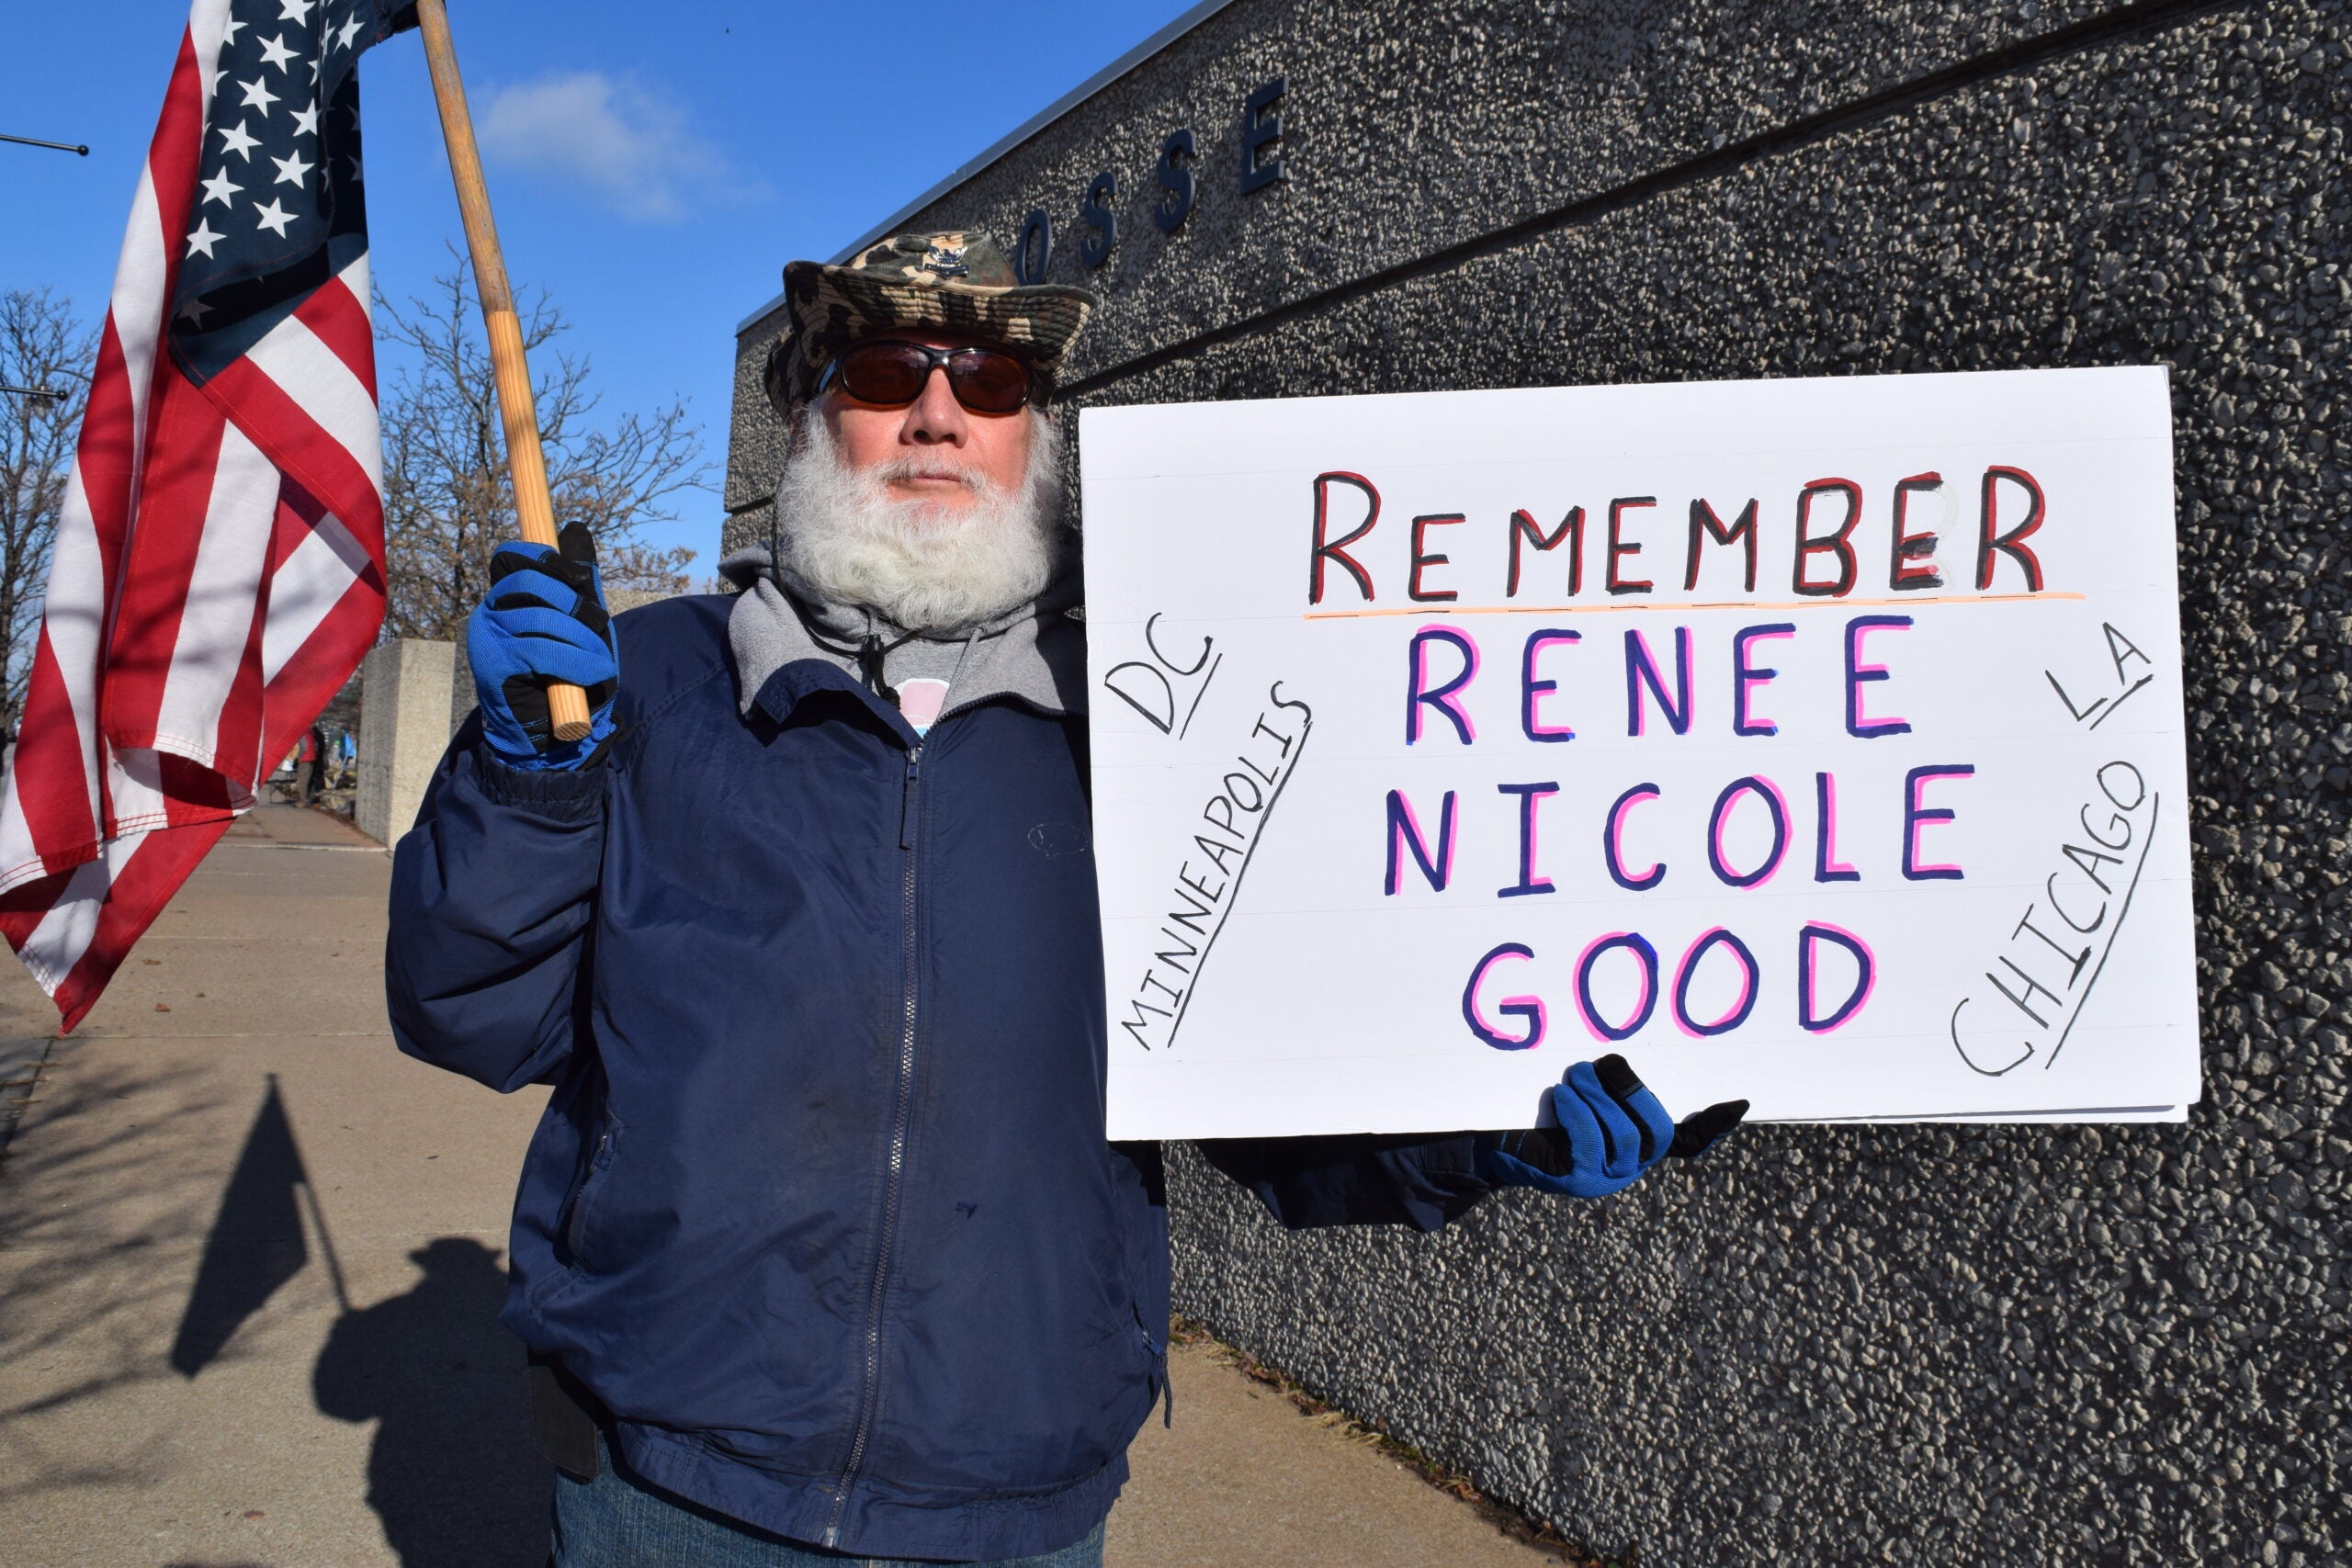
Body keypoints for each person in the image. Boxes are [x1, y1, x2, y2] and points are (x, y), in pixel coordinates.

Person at [385, 231, 1746, 1568]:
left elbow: (1270, 1094)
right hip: (667, 1477)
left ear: (1033, 438)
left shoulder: (1161, 722)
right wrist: (529, 779)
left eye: (988, 386)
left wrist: (1488, 1120)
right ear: (813, 419)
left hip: (1014, 1491)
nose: (936, 414)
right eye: (883, 375)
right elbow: (472, 1011)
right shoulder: (640, 684)